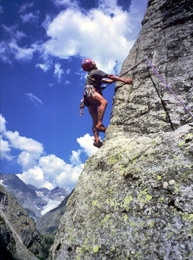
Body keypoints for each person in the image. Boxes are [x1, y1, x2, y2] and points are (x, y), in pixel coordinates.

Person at [81, 58, 132, 148]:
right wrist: (124, 80)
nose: (95, 62)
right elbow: (110, 76)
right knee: (103, 102)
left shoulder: (92, 75)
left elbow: (106, 81)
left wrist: (114, 80)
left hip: (86, 97)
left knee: (94, 119)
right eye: (93, 62)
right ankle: (100, 124)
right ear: (91, 65)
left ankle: (96, 140)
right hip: (90, 91)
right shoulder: (96, 71)